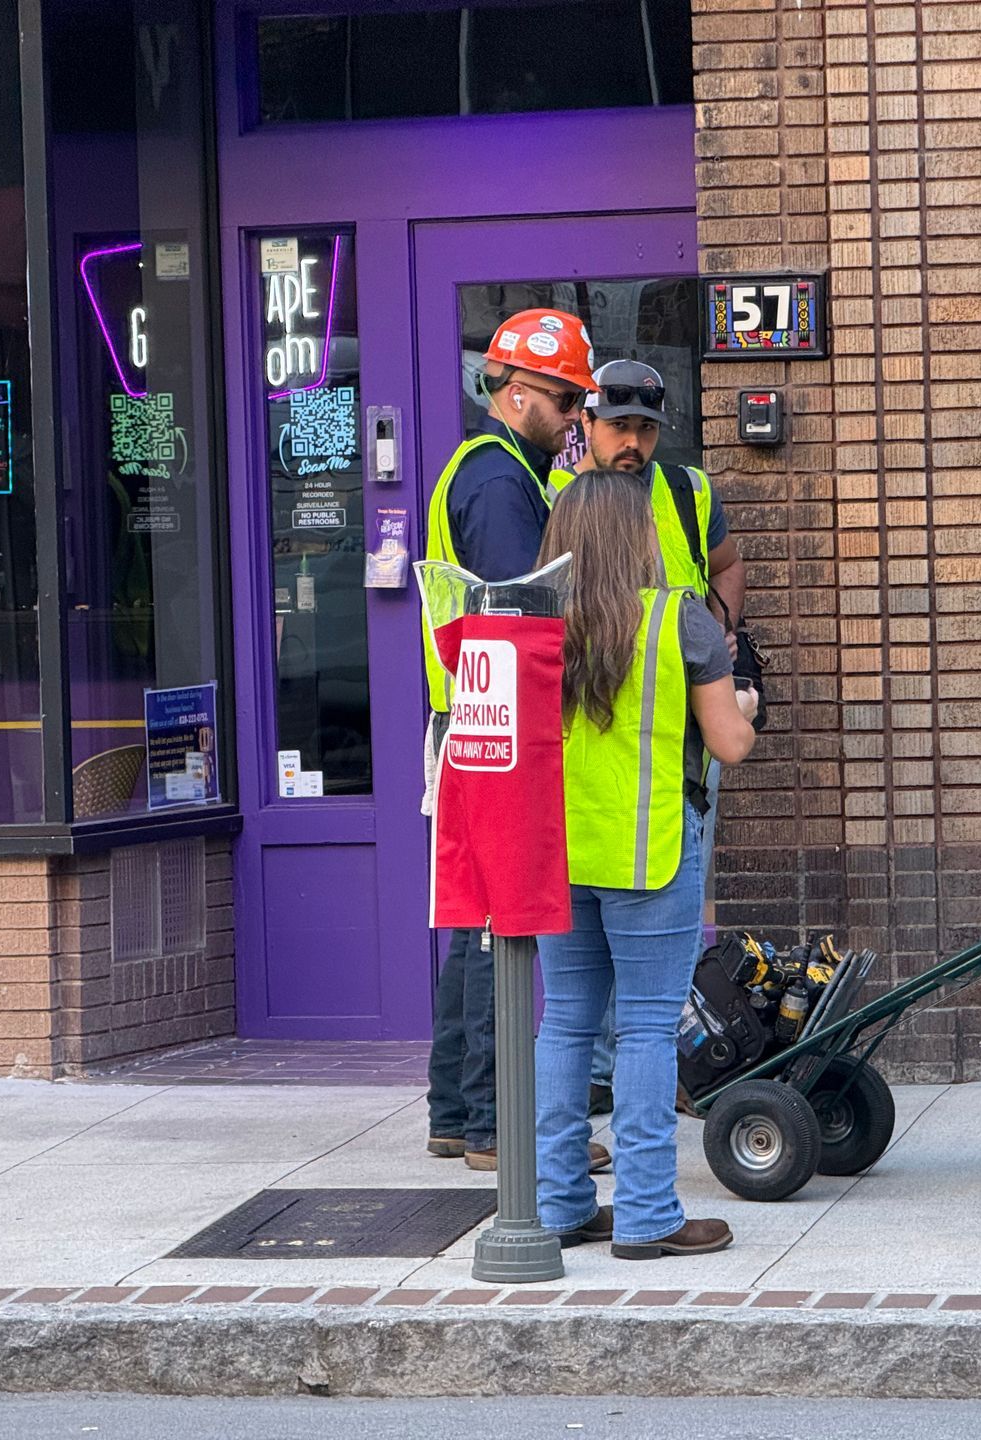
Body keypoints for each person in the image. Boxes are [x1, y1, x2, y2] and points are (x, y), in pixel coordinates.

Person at [531, 471, 759, 1260]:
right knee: (648, 1031)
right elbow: (729, 742)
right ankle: (648, 1215)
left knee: (563, 1022)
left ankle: (559, 1205)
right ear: (640, 538)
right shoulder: (679, 621)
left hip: (558, 856)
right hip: (652, 850)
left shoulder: (533, 627)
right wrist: (747, 712)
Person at [422, 307, 606, 1176]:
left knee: (473, 925)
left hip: (469, 722)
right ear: (520, 391)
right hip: (495, 725)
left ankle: (457, 1114)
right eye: (567, 400)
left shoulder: (497, 470)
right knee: (499, 926)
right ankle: (496, 1126)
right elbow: (518, 612)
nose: (576, 418)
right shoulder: (499, 483)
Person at [558, 360, 748, 1115]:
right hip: (601, 745)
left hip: (679, 735)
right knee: (624, 1004)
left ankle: (578, 1158)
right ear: (587, 426)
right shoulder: (560, 499)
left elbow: (726, 566)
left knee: (577, 1005)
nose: (632, 442)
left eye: (644, 428)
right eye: (618, 426)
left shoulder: (689, 492)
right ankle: (624, 1090)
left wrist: (721, 634)